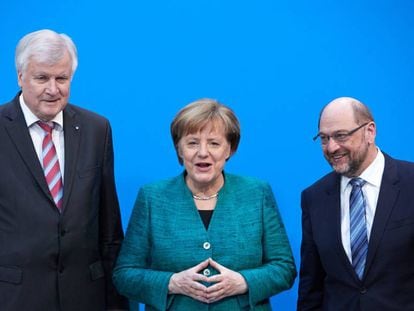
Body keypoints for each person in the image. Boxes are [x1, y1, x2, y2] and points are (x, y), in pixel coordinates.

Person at [113, 98, 296, 310]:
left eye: (214, 143)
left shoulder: (257, 193)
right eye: (192, 143)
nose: (202, 152)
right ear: (179, 149)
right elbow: (124, 275)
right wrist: (172, 283)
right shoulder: (152, 197)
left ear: (230, 149)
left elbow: (284, 268)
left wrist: (243, 281)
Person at [0, 29, 128, 310]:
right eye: (42, 77)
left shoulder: (97, 129)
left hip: (86, 297)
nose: (52, 89)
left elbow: (109, 229)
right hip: (15, 298)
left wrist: (117, 303)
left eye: (62, 78)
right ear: (20, 77)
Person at [297, 97, 414, 310]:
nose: (331, 147)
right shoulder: (314, 198)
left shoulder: (410, 182)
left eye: (341, 136)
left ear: (370, 132)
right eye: (324, 138)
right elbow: (311, 285)